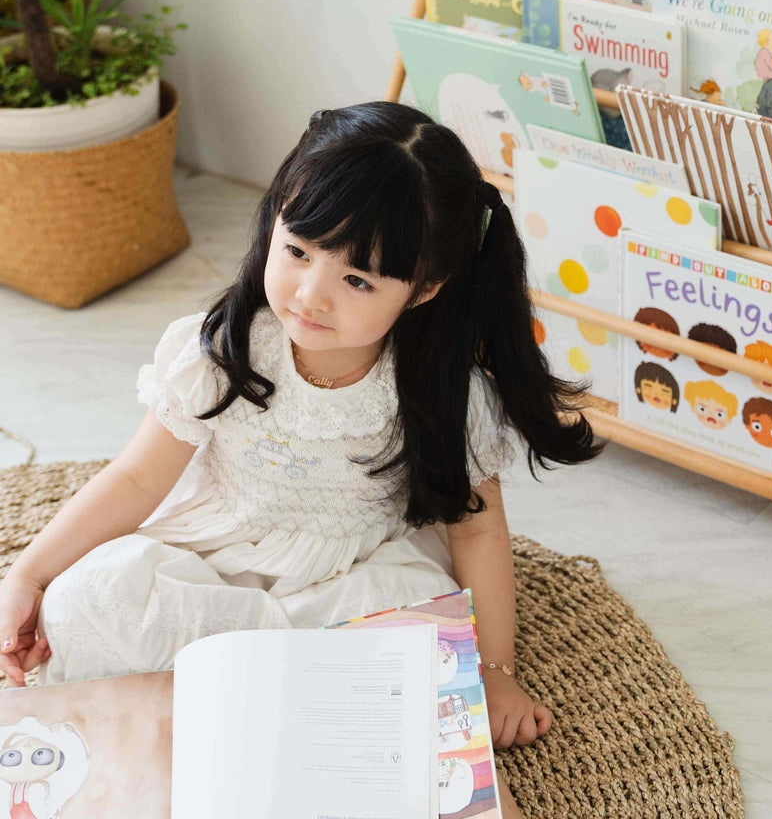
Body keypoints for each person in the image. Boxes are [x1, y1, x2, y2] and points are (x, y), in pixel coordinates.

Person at [0, 103, 605, 816]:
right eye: (298, 250)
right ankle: (249, 693)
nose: (311, 293)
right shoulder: (223, 349)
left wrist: (497, 672)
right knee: (87, 602)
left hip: (347, 576)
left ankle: (260, 698)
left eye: (358, 280)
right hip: (210, 557)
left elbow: (476, 530)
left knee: (412, 640)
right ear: (274, 221)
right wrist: (30, 573)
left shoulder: (444, 391)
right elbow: (136, 477)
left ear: (426, 289)